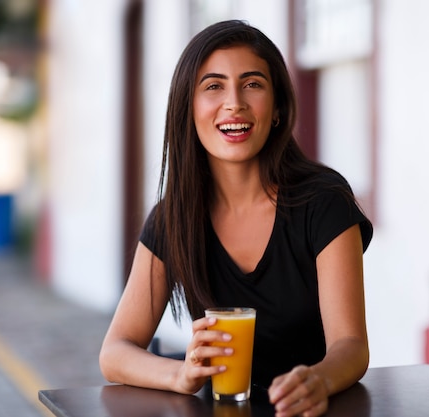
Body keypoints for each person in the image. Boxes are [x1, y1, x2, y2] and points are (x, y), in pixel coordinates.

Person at [100, 19, 373, 417]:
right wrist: (181, 374)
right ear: (188, 108)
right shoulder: (173, 218)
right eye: (213, 86)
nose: (235, 103)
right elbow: (115, 352)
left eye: (253, 84)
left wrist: (320, 380)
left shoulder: (324, 202)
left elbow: (351, 345)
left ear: (277, 108)